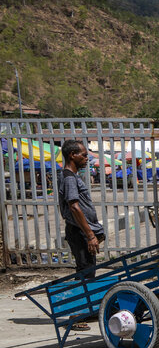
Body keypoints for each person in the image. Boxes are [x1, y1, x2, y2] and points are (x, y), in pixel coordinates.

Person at [59, 139, 106, 327]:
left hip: (81, 232)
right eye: (84, 155)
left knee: (88, 271)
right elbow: (74, 207)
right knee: (85, 272)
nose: (87, 158)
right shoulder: (69, 178)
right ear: (72, 155)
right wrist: (90, 235)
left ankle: (83, 311)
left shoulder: (72, 176)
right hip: (79, 233)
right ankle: (76, 315)